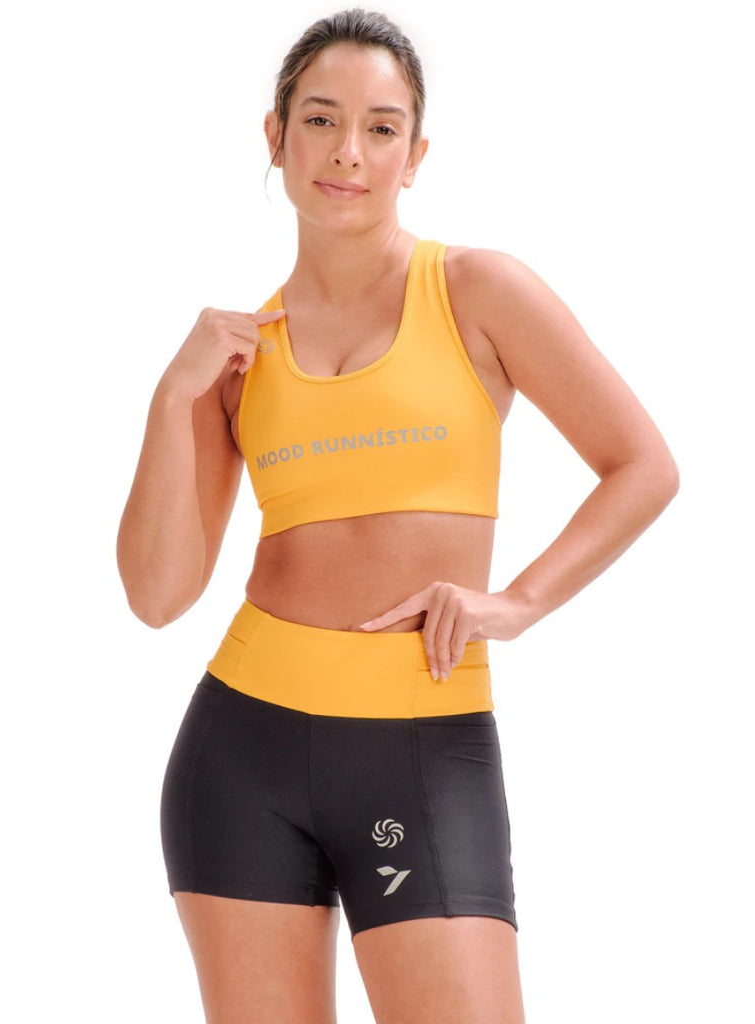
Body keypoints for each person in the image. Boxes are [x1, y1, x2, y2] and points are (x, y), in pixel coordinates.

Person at [116, 8, 679, 1023]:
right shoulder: (234, 358)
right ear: (276, 136)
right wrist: (170, 397)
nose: (348, 151)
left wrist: (519, 603)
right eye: (320, 119)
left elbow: (642, 465)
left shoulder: (476, 290)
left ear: (415, 156)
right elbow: (157, 595)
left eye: (381, 128)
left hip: (421, 744)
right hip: (242, 754)